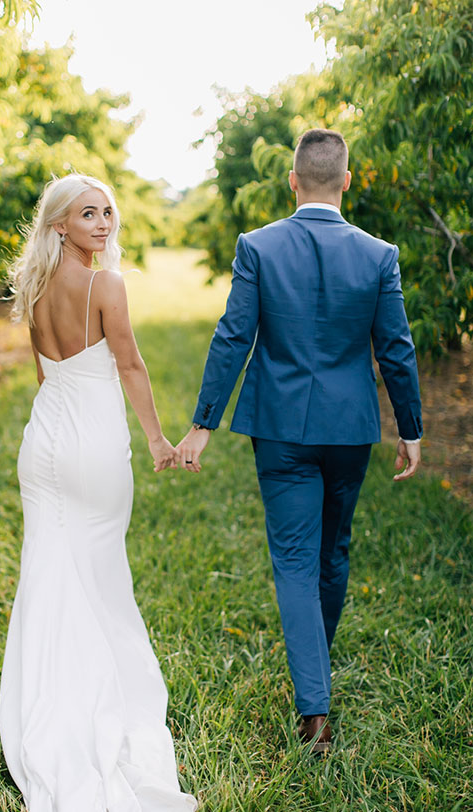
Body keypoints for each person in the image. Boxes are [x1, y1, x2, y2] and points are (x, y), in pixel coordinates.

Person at [176, 129, 422, 754]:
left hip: (281, 429)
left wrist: (203, 425)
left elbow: (233, 336)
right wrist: (411, 429)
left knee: (294, 562)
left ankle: (314, 711)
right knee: (332, 551)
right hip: (350, 430)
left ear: (291, 180)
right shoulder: (378, 255)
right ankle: (315, 675)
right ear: (346, 180)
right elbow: (395, 349)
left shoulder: (257, 246)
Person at [0, 174, 197, 811]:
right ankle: (94, 706)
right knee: (101, 576)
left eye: (108, 212)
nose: (104, 224)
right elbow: (130, 364)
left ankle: (43, 702)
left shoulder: (31, 284)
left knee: (49, 570)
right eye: (89, 215)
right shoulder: (106, 283)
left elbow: (42, 372)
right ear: (60, 225)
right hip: (92, 442)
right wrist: (159, 440)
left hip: (44, 441)